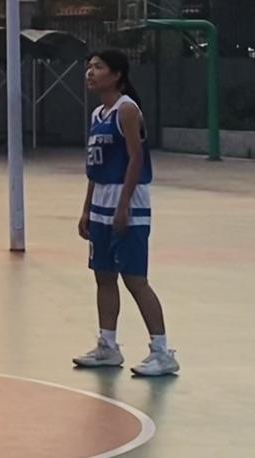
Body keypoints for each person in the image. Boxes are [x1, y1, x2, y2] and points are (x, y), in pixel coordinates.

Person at [73, 49, 179, 377]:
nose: (90, 72)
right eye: (89, 67)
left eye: (98, 67)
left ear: (117, 74)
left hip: (128, 202)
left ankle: (162, 351)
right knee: (103, 275)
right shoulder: (97, 114)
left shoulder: (127, 109)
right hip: (101, 203)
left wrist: (123, 205)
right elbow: (95, 167)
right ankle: (108, 346)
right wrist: (87, 209)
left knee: (134, 278)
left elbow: (136, 159)